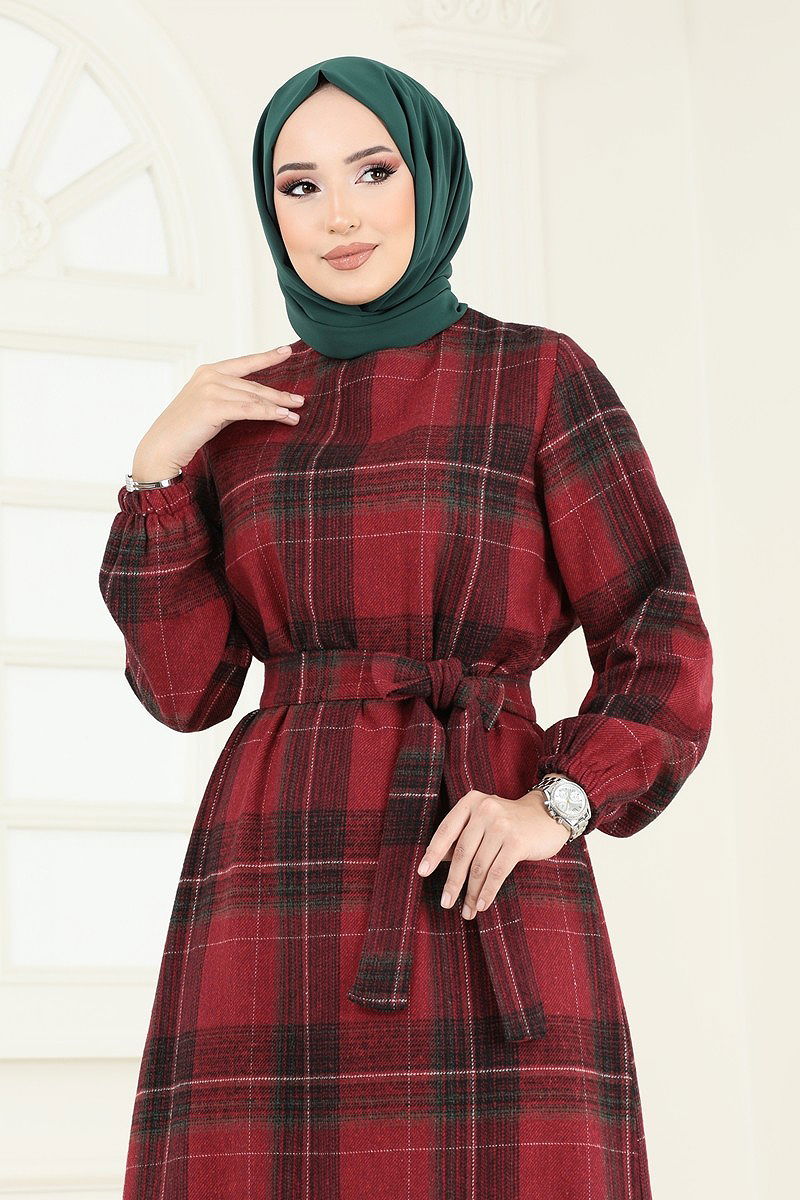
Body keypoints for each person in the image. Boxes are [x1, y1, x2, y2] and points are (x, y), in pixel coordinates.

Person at [99, 55, 713, 1200]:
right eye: (299, 186)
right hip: (273, 881)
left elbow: (660, 635)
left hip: (476, 865)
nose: (337, 215)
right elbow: (185, 691)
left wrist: (556, 804)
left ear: (430, 179)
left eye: (371, 171)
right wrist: (156, 474)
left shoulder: (535, 375)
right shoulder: (242, 412)